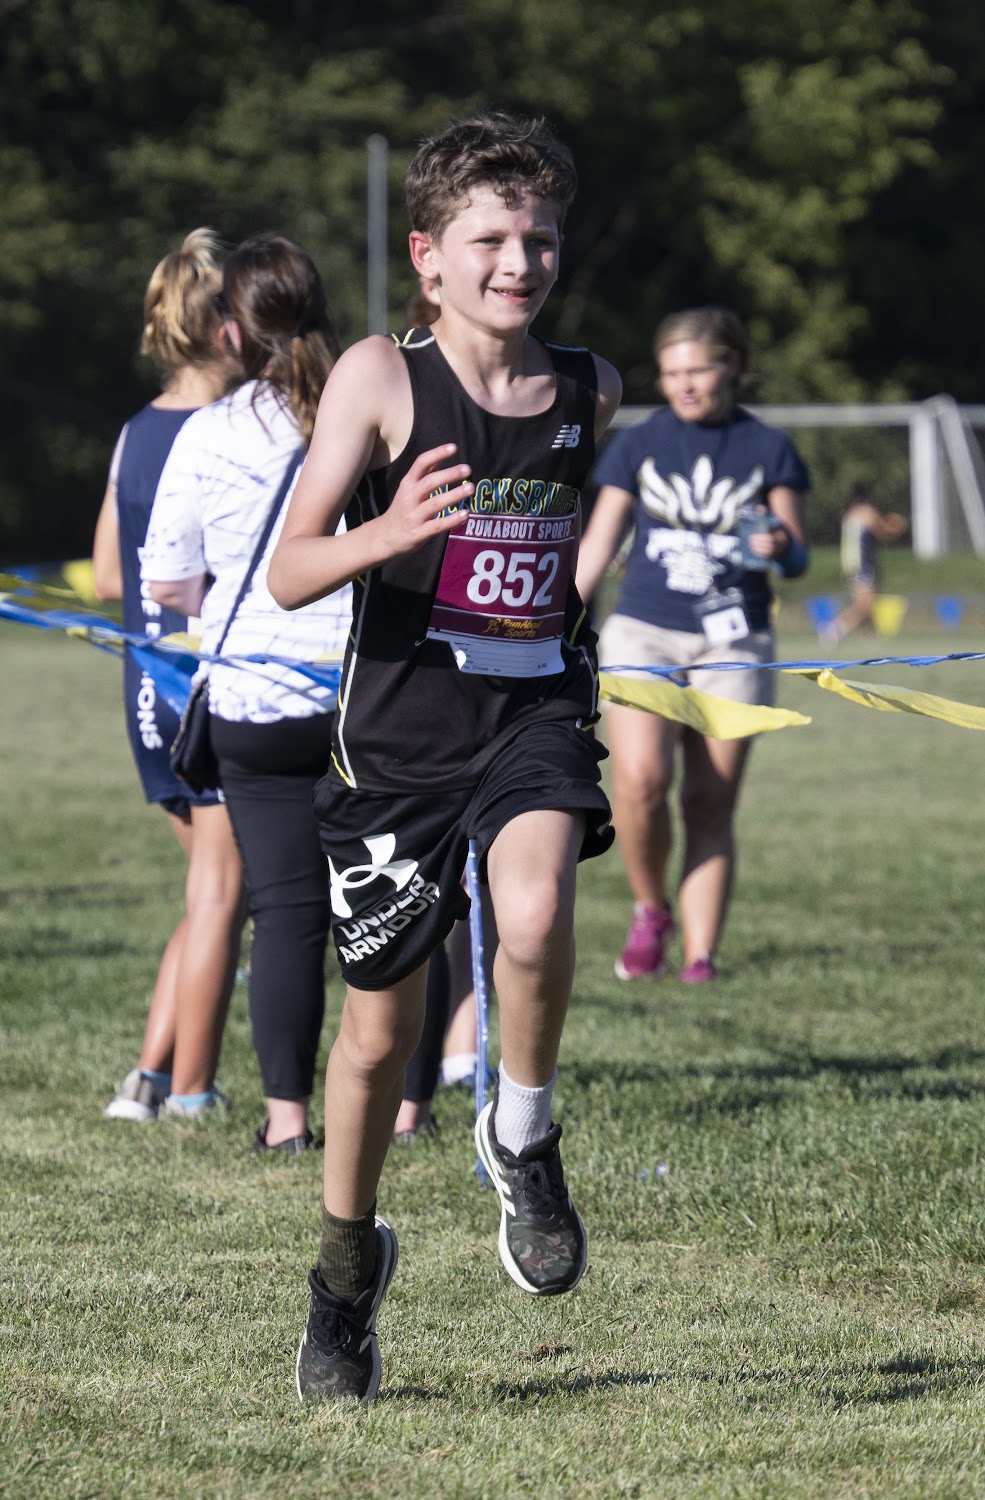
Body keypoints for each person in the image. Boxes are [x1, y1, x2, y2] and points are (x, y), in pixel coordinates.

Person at [267, 109, 621, 1403]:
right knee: (376, 1040)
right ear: (427, 255)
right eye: (490, 240)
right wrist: (388, 532)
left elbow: (574, 527)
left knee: (533, 916)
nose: (519, 262)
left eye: (540, 240)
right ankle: (345, 1269)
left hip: (529, 720)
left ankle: (520, 1133)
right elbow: (291, 568)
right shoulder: (378, 376)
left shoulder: (590, 386)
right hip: (396, 743)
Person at [141, 233, 351, 1153]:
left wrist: (232, 597)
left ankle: (287, 1121)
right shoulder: (371, 414)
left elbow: (165, 581)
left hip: (254, 700)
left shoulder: (209, 432)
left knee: (288, 917)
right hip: (362, 696)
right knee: (397, 904)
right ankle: (407, 1105)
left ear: (231, 329)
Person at [576, 306, 810, 984]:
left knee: (708, 802)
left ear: (731, 366)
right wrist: (554, 619)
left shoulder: (768, 446)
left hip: (734, 640)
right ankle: (651, 909)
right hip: (643, 631)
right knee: (641, 781)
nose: (683, 384)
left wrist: (780, 544)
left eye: (698, 370)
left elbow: (797, 557)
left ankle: (700, 958)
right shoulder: (639, 443)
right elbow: (597, 544)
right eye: (671, 372)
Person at [94, 228, 247, 1124]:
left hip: (145, 689)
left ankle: (147, 1079)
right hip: (210, 686)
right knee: (225, 893)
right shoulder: (230, 433)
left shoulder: (134, 430)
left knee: (212, 893)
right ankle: (187, 1091)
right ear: (227, 325)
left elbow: (108, 577)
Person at [824, 481, 908, 642]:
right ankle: (834, 630)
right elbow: (884, 532)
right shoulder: (867, 512)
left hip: (850, 563)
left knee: (864, 602)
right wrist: (899, 525)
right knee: (865, 604)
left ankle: (870, 637)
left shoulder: (850, 514)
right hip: (862, 563)